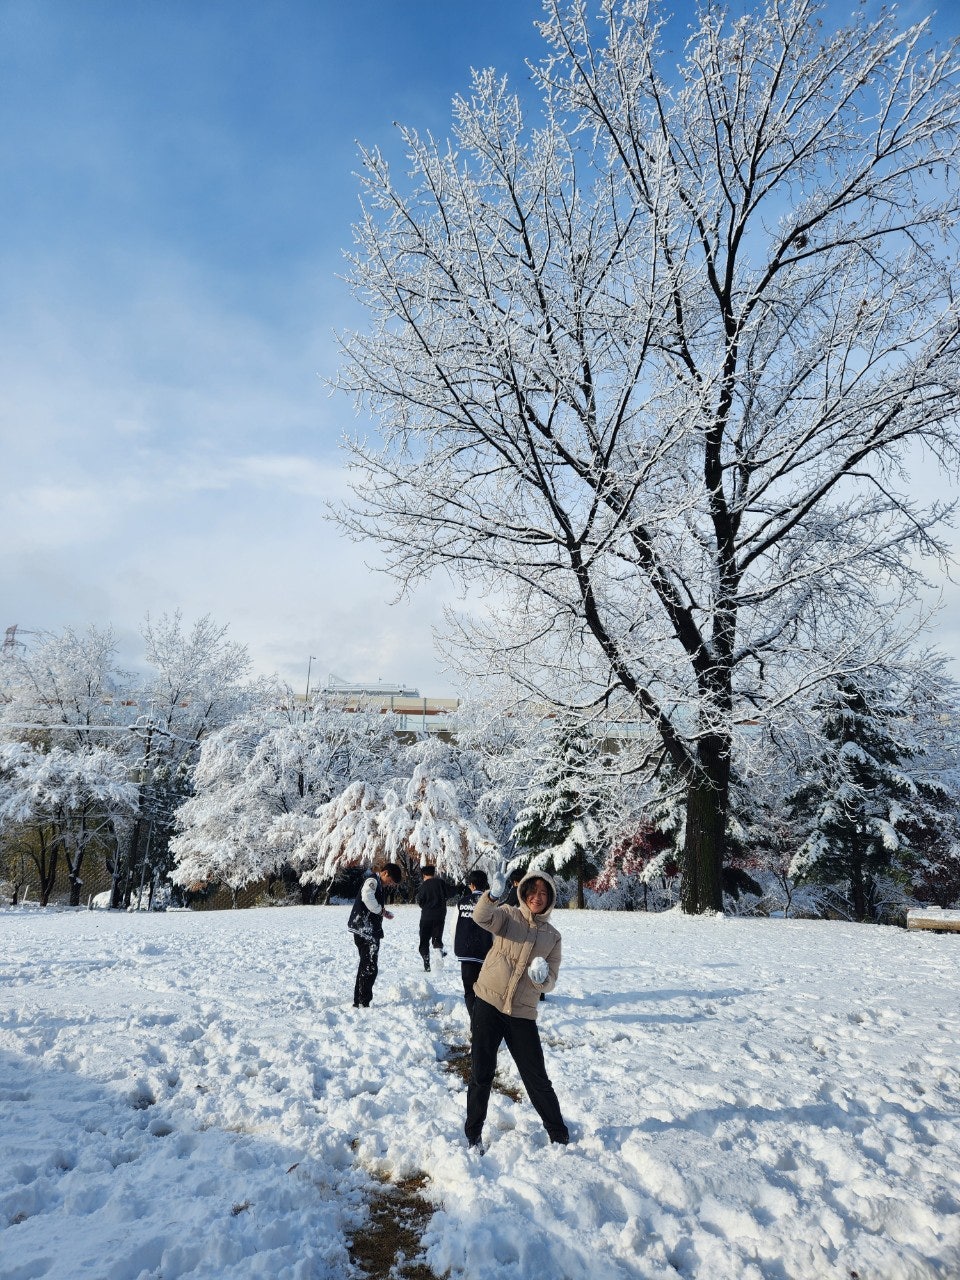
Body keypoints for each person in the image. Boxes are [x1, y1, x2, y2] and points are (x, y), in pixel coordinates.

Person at [465, 871, 570, 1151]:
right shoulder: (508, 915)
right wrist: (492, 896)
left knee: (536, 1078)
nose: (537, 897)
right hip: (488, 1001)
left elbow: (551, 981)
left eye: (543, 893)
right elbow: (481, 917)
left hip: (522, 1013)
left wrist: (542, 978)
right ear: (524, 893)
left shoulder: (553, 937)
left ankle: (559, 1135)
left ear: (550, 899)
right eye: (532, 891)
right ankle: (472, 1134)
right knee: (481, 1073)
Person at [347, 863, 403, 1008]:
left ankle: (360, 1000)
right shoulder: (372, 881)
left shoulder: (376, 883)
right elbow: (367, 897)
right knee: (369, 966)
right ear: (384, 873)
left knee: (366, 965)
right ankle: (362, 1002)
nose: (389, 884)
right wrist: (380, 911)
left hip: (366, 929)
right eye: (390, 881)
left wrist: (382, 912)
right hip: (364, 929)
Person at [453, 868, 493, 1015]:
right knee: (484, 991)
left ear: (471, 885)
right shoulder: (491, 904)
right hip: (485, 953)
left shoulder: (461, 903)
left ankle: (474, 1023)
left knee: (469, 990)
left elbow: (453, 927)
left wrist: (458, 946)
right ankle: (481, 1023)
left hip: (466, 952)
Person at [416, 864, 448, 971]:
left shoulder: (423, 886)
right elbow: (450, 892)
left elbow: (420, 901)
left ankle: (426, 962)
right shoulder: (441, 883)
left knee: (424, 940)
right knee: (437, 938)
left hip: (426, 917)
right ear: (433, 873)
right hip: (440, 916)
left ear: (424, 875)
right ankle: (438, 951)